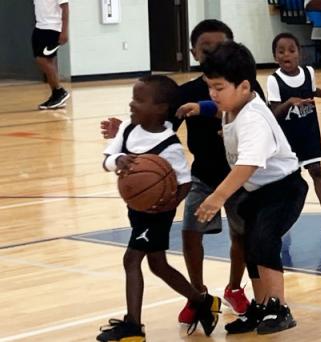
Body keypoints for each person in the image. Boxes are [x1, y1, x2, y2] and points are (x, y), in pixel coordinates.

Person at [100, 19, 263, 324]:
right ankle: (198, 293)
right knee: (190, 234)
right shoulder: (184, 91)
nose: (213, 52)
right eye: (206, 48)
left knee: (241, 236)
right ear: (193, 53)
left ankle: (233, 289)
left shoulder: (245, 87)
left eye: (220, 46)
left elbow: (261, 125)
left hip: (239, 175)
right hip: (202, 174)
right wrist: (124, 130)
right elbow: (158, 125)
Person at [187, 41, 308, 334]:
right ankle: (262, 305)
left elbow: (248, 165)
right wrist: (202, 107)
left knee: (264, 242)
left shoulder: (253, 118)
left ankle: (279, 308)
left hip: (283, 190)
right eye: (209, 87)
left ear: (243, 87)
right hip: (259, 192)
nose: (212, 94)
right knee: (251, 247)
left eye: (218, 88)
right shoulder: (234, 106)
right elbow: (219, 111)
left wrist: (217, 197)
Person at [97, 75, 221, 341]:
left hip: (156, 214)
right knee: (158, 264)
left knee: (131, 259)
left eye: (139, 100)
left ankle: (133, 327)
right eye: (133, 98)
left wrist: (169, 203)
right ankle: (201, 301)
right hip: (136, 208)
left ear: (161, 108)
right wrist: (119, 160)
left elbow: (185, 183)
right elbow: (106, 160)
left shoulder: (170, 145)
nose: (132, 104)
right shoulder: (127, 129)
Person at [267, 32, 321, 230]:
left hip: (309, 132)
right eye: (281, 51)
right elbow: (273, 113)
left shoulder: (308, 72)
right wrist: (289, 103)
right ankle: (280, 217)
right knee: (288, 181)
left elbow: (315, 92)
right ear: (275, 56)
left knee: (316, 172)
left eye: (291, 50)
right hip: (287, 139)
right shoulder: (273, 80)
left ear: (299, 54)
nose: (287, 54)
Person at [33, 0, 70, 110]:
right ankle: (56, 95)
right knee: (48, 61)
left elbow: (65, 8)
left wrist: (64, 32)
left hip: (52, 28)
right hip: (39, 27)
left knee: (42, 60)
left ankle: (59, 92)